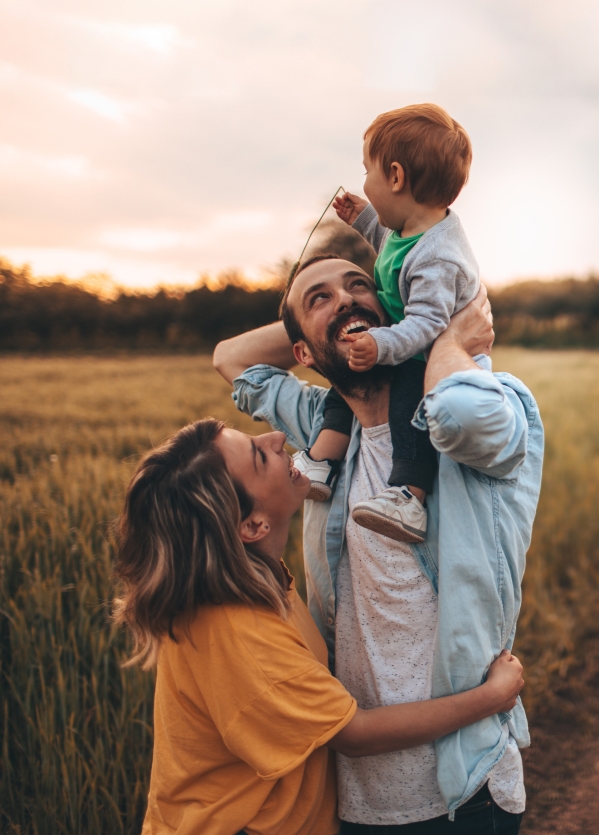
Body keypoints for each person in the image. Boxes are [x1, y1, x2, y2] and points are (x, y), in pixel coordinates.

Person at [212, 269, 544, 832]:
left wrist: (440, 336)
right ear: (300, 352)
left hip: (464, 789)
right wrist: (328, 326)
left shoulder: (491, 404)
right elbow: (231, 358)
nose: (346, 299)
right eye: (322, 297)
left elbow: (459, 416)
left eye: (360, 285)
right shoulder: (326, 432)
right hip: (355, 797)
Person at [112, 417, 524, 835]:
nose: (276, 438)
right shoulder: (238, 632)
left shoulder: (255, 582)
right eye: (259, 455)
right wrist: (491, 697)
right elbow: (355, 734)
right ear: (252, 526)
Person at [294, 103, 480, 547]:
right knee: (346, 384)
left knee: (408, 414)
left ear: (395, 177)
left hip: (431, 357)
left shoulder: (439, 256)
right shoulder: (409, 230)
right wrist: (362, 217)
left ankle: (408, 497)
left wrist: (381, 343)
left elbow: (429, 322)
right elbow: (389, 244)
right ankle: (322, 461)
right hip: (403, 341)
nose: (364, 181)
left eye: (367, 171)